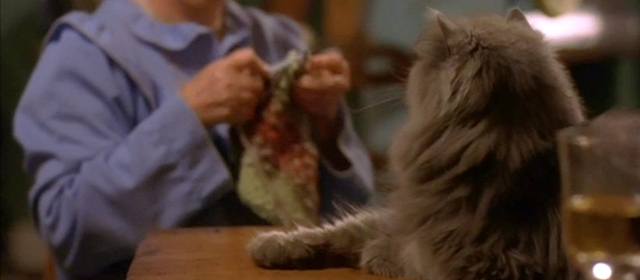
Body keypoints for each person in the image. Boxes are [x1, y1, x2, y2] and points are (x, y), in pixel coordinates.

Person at [12, 0, 375, 279]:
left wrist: (327, 127)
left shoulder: (281, 39)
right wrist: (188, 118)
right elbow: (70, 230)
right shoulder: (84, 53)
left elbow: (353, 218)